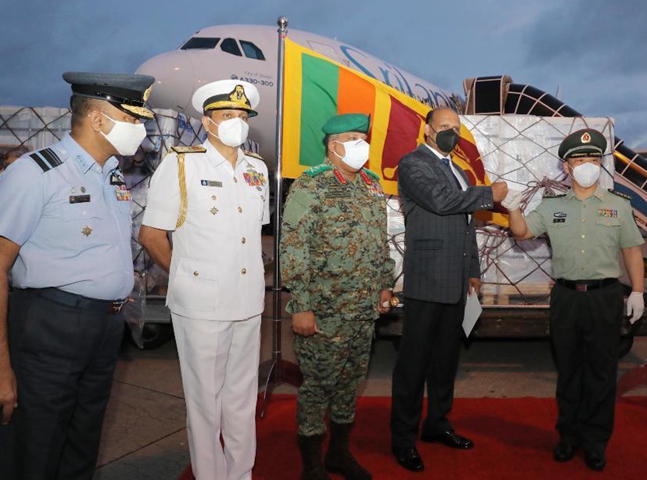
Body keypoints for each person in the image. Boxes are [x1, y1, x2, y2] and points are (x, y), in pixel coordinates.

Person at [0, 72, 155, 480]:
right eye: (132, 118)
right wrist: (1, 365)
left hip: (105, 327)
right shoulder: (36, 173)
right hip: (50, 325)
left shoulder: (112, 176)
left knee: (82, 440)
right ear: (100, 120)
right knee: (36, 444)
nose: (140, 129)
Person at [138, 79, 269, 480]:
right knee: (205, 403)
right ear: (207, 121)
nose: (237, 123)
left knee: (242, 399)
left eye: (243, 116)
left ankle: (241, 473)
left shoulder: (257, 170)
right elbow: (151, 235)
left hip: (248, 301)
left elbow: (252, 234)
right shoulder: (182, 164)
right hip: (201, 305)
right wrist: (185, 275)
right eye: (228, 115)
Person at [505, 128, 645, 472]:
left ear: (601, 164)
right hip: (567, 298)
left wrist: (639, 291)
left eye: (593, 159)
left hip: (605, 298)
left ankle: (596, 442)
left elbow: (632, 249)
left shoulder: (617, 205)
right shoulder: (552, 207)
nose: (587, 165)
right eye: (580, 159)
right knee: (568, 372)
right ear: (566, 167)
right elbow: (523, 233)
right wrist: (511, 209)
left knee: (600, 372)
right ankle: (568, 437)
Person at [390, 107, 508, 472]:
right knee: (414, 365)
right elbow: (442, 202)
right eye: (444, 128)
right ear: (427, 130)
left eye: (456, 129)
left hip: (457, 281)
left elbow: (466, 226)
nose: (450, 134)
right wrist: (489, 193)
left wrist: (472, 270)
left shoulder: (457, 170)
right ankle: (403, 440)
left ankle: (437, 424)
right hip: (427, 280)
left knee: (445, 362)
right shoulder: (412, 164)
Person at [281, 113, 395, 480]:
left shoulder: (372, 185)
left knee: (349, 384)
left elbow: (380, 242)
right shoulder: (310, 186)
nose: (361, 144)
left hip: (362, 310)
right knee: (318, 385)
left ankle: (339, 454)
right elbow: (293, 248)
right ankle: (312, 465)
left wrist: (384, 282)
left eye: (364, 137)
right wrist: (301, 306)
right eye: (352, 138)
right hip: (324, 311)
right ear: (333, 146)